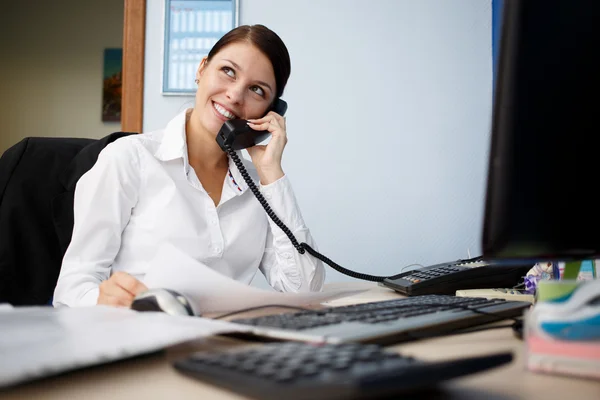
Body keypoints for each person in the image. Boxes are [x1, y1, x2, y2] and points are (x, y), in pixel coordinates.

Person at [53, 24, 325, 308]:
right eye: (228, 71)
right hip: (138, 337)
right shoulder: (129, 159)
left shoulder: (259, 186)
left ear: (270, 112)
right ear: (202, 69)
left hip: (223, 345)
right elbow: (71, 289)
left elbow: (305, 289)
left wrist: (272, 174)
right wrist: (103, 302)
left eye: (256, 90)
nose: (234, 95)